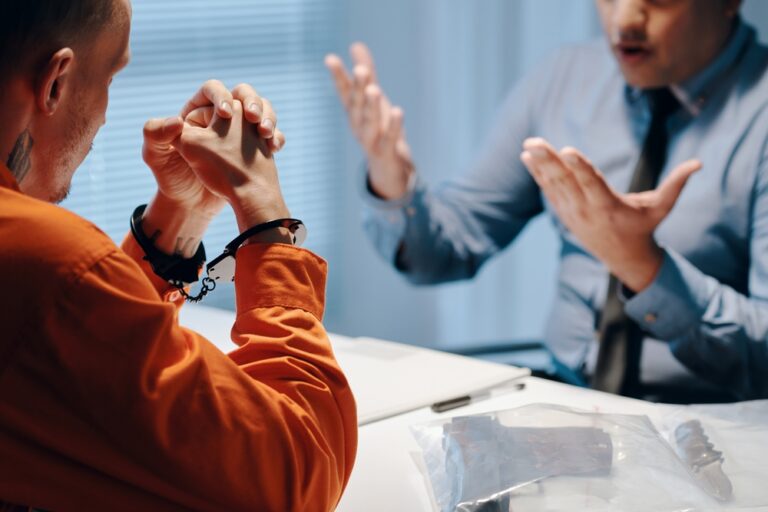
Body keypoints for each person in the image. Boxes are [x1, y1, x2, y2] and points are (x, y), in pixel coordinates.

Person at [0, 1, 356, 510]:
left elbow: (74, 370)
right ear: (56, 81)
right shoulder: (47, 268)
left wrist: (182, 212)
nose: (104, 113)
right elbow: (298, 472)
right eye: (110, 76)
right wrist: (267, 218)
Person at [326, 0, 768, 402]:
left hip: (714, 428)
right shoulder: (565, 79)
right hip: (564, 403)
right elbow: (442, 253)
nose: (624, 20)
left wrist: (644, 268)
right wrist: (393, 183)